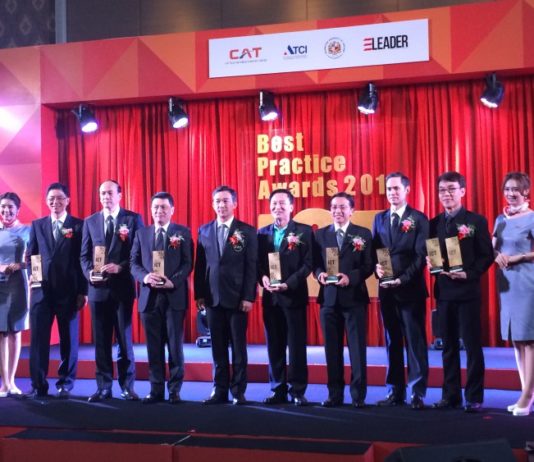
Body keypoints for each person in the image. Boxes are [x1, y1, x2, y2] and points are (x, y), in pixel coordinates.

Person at [429, 171, 493, 412]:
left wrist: (469, 273)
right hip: (444, 292)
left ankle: (474, 397)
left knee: (472, 346)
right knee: (447, 346)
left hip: (467, 292)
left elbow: (486, 255)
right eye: (442, 190)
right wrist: (431, 263)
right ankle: (450, 395)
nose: (446, 194)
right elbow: (432, 251)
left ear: (462, 191)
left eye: (451, 189)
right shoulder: (433, 223)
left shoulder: (476, 221)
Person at [80, 179, 143, 402]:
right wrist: (89, 272)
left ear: (120, 195)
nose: (106, 197)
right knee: (101, 341)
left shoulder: (132, 219)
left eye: (110, 193)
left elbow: (138, 253)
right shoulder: (90, 221)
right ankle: (103, 387)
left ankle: (127, 386)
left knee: (124, 341)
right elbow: (84, 256)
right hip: (97, 291)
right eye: (102, 193)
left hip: (122, 289)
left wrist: (121, 267)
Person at [194, 185, 257, 405]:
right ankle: (219, 390)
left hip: (238, 298)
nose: (221, 205)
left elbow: (251, 266)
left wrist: (249, 297)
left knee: (238, 347)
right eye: (217, 201)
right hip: (212, 298)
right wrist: (199, 294)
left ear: (234, 204)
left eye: (225, 201)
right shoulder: (204, 230)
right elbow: (200, 266)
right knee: (217, 347)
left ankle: (238, 391)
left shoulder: (247, 231)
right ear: (213, 204)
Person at [372, 172, 429, 410]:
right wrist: (376, 269)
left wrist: (402, 280)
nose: (392, 193)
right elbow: (376, 250)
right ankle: (395, 391)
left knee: (414, 342)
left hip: (410, 290)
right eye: (389, 189)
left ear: (407, 190)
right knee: (392, 341)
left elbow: (420, 256)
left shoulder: (418, 218)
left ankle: (417, 392)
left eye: (396, 188)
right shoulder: (379, 218)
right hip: (387, 290)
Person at [26, 183, 87, 399]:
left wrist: (83, 291)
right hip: (41, 292)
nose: (55, 202)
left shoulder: (78, 225)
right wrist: (34, 276)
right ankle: (38, 385)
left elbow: (83, 260)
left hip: (68, 292)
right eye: (51, 198)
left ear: (68, 200)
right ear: (46, 201)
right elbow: (32, 254)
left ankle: (65, 384)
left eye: (60, 198)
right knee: (38, 341)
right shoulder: (38, 225)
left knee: (68, 341)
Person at [130, 192, 193, 404]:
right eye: (155, 207)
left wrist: (172, 281)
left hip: (174, 297)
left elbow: (188, 263)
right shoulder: (141, 234)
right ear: (151, 210)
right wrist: (145, 277)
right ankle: (156, 389)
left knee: (174, 346)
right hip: (149, 298)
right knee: (153, 347)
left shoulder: (182, 232)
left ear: (172, 210)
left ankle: (174, 390)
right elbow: (133, 263)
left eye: (164, 207)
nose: (159, 211)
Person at [314, 192, 373, 407]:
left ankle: (358, 395)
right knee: (332, 350)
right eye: (334, 207)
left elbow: (368, 265)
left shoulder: (363, 234)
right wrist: (319, 274)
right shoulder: (320, 235)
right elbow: (314, 263)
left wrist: (351, 277)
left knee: (357, 350)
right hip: (328, 300)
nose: (337, 211)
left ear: (352, 210)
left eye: (342, 207)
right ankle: (334, 394)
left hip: (354, 298)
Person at [257, 189, 313, 406]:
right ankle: (277, 388)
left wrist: (289, 283)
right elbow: (256, 263)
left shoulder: (303, 232)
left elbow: (308, 264)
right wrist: (263, 277)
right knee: (274, 345)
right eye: (274, 203)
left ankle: (297, 390)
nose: (277, 207)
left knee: (296, 346)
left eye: (282, 203)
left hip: (293, 296)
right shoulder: (262, 233)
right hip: (271, 298)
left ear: (291, 206)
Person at [493, 172, 534, 417]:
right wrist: (496, 255)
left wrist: (519, 257)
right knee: (517, 339)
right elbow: (494, 246)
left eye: (515, 189)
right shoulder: (501, 218)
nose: (510, 193)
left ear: (525, 192)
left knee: (529, 339)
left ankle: (526, 397)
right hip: (507, 284)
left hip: (527, 282)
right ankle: (525, 393)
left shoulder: (532, 218)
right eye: (507, 189)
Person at [0, 192, 30, 397]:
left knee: (15, 331)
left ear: (18, 209)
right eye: (3, 206)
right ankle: (5, 384)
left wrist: (20, 265)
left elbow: (35, 259)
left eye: (10, 207)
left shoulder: (28, 230)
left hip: (18, 284)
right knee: (1, 332)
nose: (6, 210)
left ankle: (13, 381)